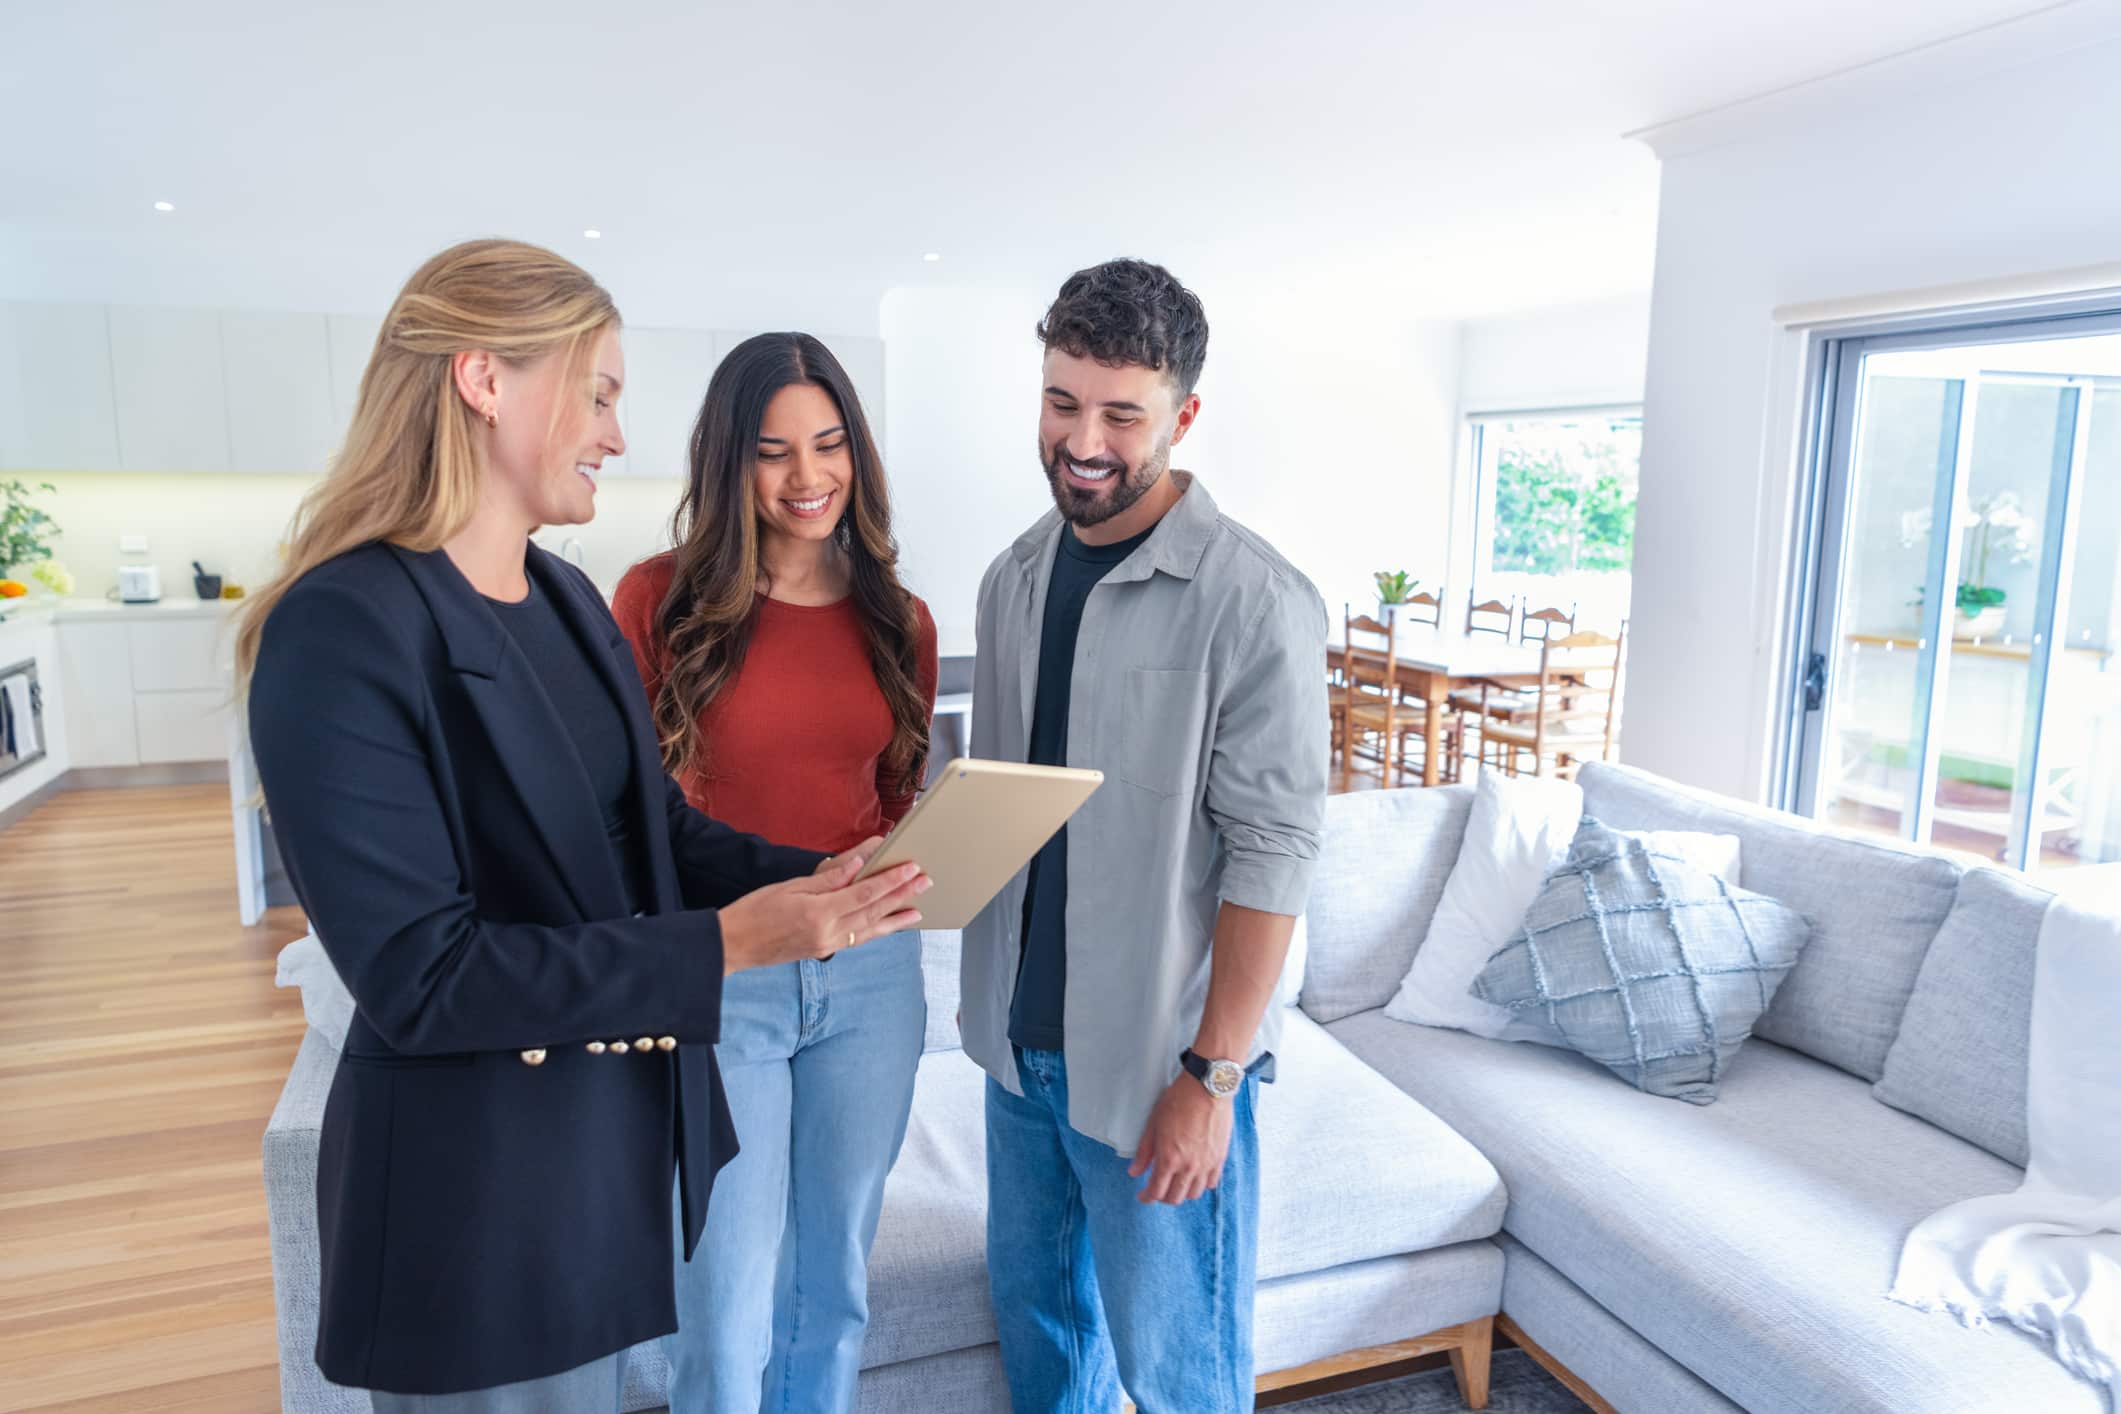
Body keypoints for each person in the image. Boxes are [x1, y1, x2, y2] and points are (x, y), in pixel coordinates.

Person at [239, 240, 929, 1413]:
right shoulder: (339, 628)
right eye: (600, 394)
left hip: (594, 1176)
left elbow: (654, 835)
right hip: (476, 1209)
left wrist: (829, 878)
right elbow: (423, 974)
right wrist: (729, 946)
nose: (615, 433)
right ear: (483, 381)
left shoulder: (559, 598)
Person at [962, 259, 1329, 1413]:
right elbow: (1007, 802)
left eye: (1123, 414)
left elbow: (1273, 851)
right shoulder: (1013, 578)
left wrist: (1211, 1077)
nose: (1085, 440)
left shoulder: (1254, 598)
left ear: (1184, 415)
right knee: (1044, 1345)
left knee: (1180, 1379)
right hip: (1019, 1054)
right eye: (1063, 401)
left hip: (1158, 1064)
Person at [612, 332, 938, 1414]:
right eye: (774, 451)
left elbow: (893, 808)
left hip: (872, 979)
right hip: (729, 973)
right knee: (725, 1304)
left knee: (831, 1287)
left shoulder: (901, 616)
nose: (809, 477)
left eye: (831, 444)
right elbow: (632, 819)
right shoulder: (655, 602)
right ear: (727, 462)